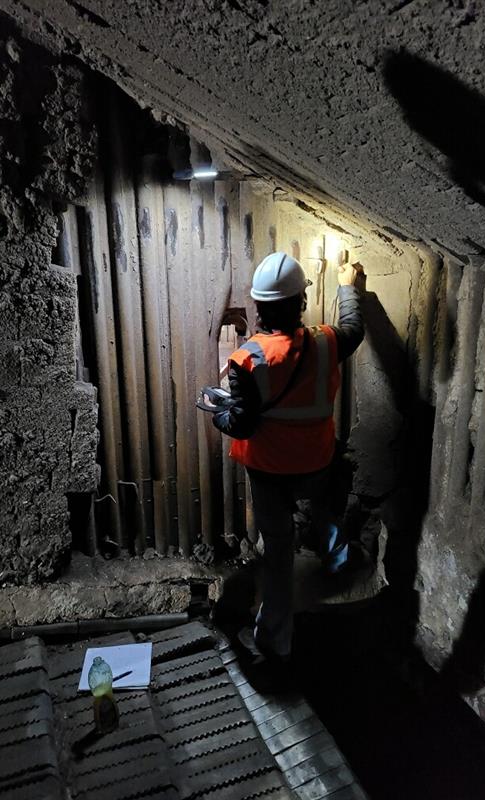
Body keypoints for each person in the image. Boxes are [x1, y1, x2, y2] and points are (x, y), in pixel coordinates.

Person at [211, 250, 364, 668]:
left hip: (269, 472)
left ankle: (276, 641)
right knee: (324, 506)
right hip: (315, 461)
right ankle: (338, 560)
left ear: (259, 307)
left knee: (277, 552)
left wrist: (219, 414)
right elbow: (354, 326)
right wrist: (347, 285)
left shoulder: (248, 357)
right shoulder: (326, 341)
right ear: (300, 303)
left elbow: (240, 424)